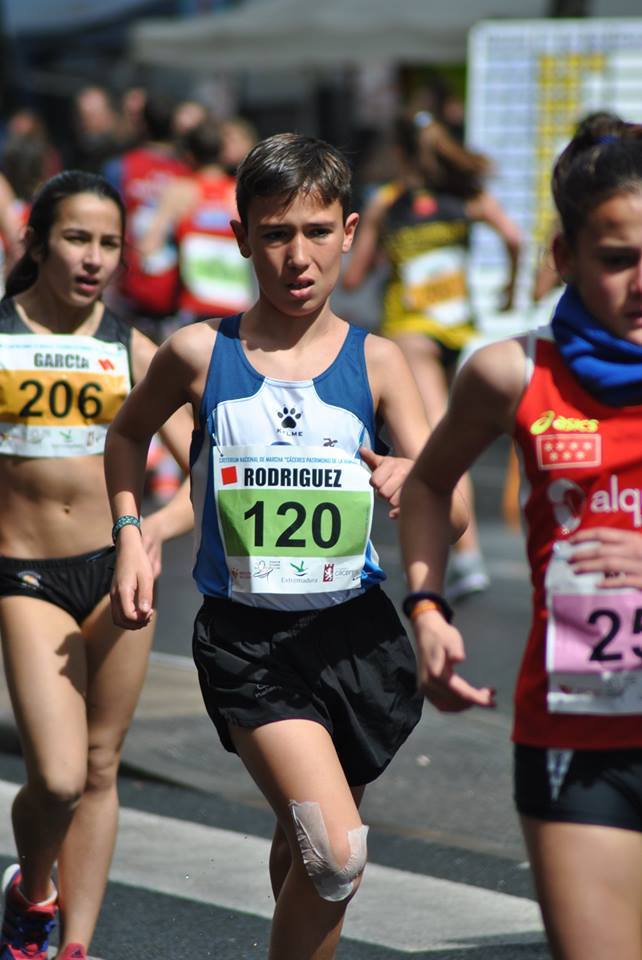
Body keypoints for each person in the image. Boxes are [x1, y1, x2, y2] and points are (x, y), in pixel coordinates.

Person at [105, 132, 465, 960]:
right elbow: (125, 439)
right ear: (240, 239)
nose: (296, 257)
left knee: (304, 850)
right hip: (250, 646)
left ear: (348, 232)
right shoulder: (201, 353)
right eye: (274, 234)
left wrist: (414, 476)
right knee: (337, 856)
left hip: (357, 639)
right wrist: (130, 532)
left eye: (314, 232)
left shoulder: (379, 363)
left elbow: (448, 512)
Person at [399, 121, 642, 960]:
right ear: (565, 256)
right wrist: (427, 603)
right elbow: (429, 483)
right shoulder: (514, 372)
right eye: (618, 258)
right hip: (578, 730)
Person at [0, 170, 193, 960]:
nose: (95, 259)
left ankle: (75, 945)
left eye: (110, 243)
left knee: (104, 764)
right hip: (26, 579)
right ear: (38, 241)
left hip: (117, 576)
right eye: (78, 238)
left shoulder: (132, 347)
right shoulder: (5, 336)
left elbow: (206, 473)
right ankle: (33, 891)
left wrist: (146, 536)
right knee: (57, 777)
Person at [343, 109, 523, 602]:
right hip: (455, 331)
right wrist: (508, 288)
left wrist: (383, 256)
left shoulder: (387, 203)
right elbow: (513, 238)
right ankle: (456, 555)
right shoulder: (466, 197)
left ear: (399, 153)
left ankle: (463, 555)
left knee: (432, 440)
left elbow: (354, 278)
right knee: (443, 431)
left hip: (410, 332)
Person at [139, 117, 253, 331]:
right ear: (222, 152)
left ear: (188, 156)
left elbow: (148, 247)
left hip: (193, 309)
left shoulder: (180, 192)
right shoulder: (238, 194)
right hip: (239, 307)